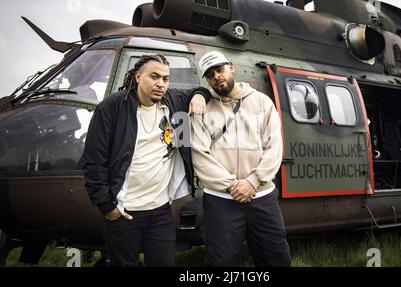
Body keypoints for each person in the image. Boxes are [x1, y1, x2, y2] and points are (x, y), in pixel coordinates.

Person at [81, 54, 210, 267]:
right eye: (154, 76)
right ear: (139, 77)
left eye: (166, 79)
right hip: (123, 211)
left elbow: (202, 90)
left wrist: (199, 96)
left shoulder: (173, 100)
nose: (161, 84)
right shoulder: (112, 107)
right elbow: (93, 162)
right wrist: (107, 207)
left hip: (160, 211)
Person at [191, 51, 291, 267]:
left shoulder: (262, 103)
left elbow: (274, 147)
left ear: (231, 68)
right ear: (206, 80)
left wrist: (253, 182)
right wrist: (233, 187)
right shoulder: (201, 108)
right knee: (222, 262)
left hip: (262, 196)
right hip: (221, 200)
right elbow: (200, 155)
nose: (217, 76)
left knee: (276, 258)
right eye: (210, 74)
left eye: (220, 70)